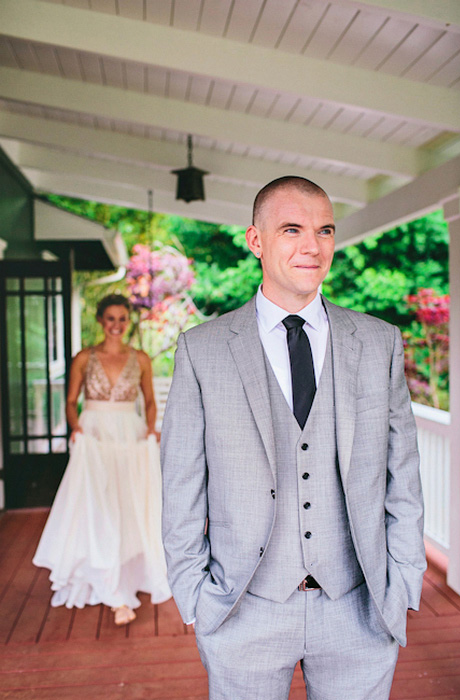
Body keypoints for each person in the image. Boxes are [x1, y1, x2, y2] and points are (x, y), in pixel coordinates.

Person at [161, 176, 426, 699]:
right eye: (291, 229)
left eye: (324, 230)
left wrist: (404, 581)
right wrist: (194, 595)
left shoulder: (378, 342)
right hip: (244, 609)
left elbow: (405, 475)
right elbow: (181, 484)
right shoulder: (202, 350)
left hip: (359, 609)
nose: (313, 245)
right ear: (256, 240)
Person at [34, 294, 171, 626]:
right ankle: (108, 587)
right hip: (94, 437)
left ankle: (126, 580)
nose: (117, 325)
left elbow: (150, 401)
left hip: (129, 437)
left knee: (129, 505)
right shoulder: (84, 357)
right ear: (100, 320)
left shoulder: (140, 358)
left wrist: (150, 431)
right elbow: (70, 402)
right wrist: (77, 428)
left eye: (122, 318)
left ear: (128, 322)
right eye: (110, 318)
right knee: (98, 507)